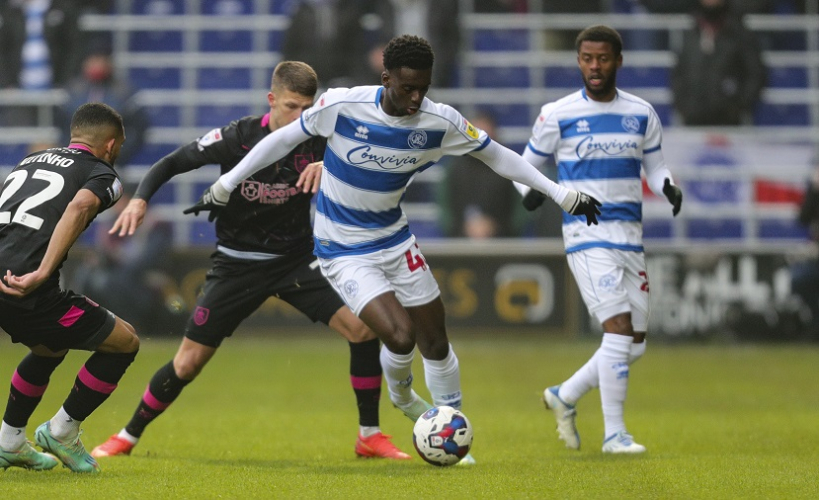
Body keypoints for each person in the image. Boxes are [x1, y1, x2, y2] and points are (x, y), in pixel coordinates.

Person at [188, 35, 602, 465]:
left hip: (393, 237)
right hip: (342, 246)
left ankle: (451, 428)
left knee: (435, 340)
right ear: (386, 78)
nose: (416, 98)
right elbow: (281, 140)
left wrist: (561, 194)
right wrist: (226, 183)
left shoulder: (439, 121)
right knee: (400, 336)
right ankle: (404, 399)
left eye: (423, 87)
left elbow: (499, 157)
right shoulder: (343, 105)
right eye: (407, 88)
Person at [90, 61, 411, 461]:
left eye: (307, 107)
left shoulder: (319, 138)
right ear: (271, 99)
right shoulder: (238, 137)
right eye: (292, 107)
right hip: (237, 265)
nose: (301, 116)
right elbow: (172, 162)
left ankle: (369, 436)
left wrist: (329, 164)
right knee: (188, 364)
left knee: (362, 330)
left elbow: (369, 163)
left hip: (295, 262)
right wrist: (139, 200)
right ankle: (127, 435)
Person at [515, 25, 683, 454]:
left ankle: (565, 394)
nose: (594, 66)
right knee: (618, 330)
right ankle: (615, 435)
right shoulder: (558, 113)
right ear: (578, 61)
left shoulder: (641, 113)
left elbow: (656, 167)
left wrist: (667, 186)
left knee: (633, 346)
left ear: (618, 61)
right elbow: (524, 166)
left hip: (630, 237)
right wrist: (528, 193)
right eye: (587, 58)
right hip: (586, 235)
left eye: (603, 58)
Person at [0, 102, 139, 473]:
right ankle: (61, 431)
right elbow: (79, 207)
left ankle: (9, 442)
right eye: (120, 146)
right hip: (28, 285)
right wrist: (43, 271)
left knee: (49, 347)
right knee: (125, 342)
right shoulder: (102, 173)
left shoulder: (30, 162)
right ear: (111, 145)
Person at [670, 0, 767, 126]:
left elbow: (756, 75)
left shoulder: (739, 33)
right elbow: (678, 75)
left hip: (730, 124)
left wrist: (737, 107)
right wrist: (684, 107)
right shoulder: (691, 33)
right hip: (693, 121)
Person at [59, 45, 150, 169]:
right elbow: (62, 127)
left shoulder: (124, 93)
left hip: (112, 163)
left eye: (101, 59)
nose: (97, 64)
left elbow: (139, 130)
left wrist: (117, 155)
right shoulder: (73, 92)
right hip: (77, 162)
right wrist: (74, 153)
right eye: (93, 59)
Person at [438, 110, 523, 238]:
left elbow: (522, 208)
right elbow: (445, 208)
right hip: (460, 241)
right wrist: (464, 227)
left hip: (504, 241)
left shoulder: (511, 166)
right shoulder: (454, 167)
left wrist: (497, 227)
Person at [0, 0, 85, 126]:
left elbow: (75, 47)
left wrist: (65, 81)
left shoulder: (63, 9)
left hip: (58, 91)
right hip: (19, 92)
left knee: (60, 131)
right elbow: (3, 50)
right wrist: (8, 82)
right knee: (21, 131)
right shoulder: (12, 12)